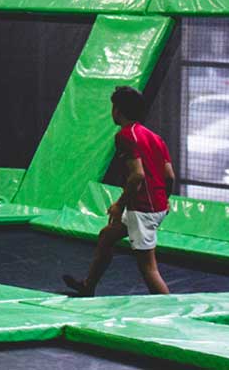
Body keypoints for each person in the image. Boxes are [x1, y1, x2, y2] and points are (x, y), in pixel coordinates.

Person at [63, 86, 176, 297]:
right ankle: (88, 287)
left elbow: (138, 175)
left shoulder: (125, 136)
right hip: (154, 206)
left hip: (142, 210)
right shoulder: (154, 137)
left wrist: (118, 205)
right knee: (107, 236)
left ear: (118, 110)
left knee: (148, 268)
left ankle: (173, 314)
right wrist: (165, 200)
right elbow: (169, 175)